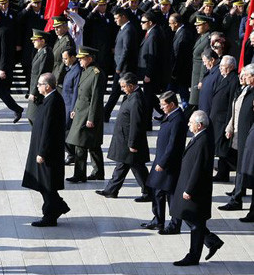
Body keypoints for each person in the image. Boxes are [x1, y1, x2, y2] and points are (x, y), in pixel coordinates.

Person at [171, 110, 224, 266]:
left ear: (199, 125)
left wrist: (189, 189)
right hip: (189, 185)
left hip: (195, 190)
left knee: (195, 221)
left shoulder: (204, 141)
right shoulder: (200, 137)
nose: (188, 124)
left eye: (191, 122)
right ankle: (211, 240)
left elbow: (199, 168)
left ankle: (194, 256)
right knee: (189, 217)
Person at [22, 73, 70, 227]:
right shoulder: (49, 99)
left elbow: (49, 130)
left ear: (47, 86)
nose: (37, 86)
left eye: (40, 84)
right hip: (42, 148)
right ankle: (58, 207)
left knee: (46, 184)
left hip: (47, 152)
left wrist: (42, 152)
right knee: (44, 183)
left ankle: (50, 215)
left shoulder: (54, 101)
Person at [96, 72, 151, 201]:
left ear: (131, 86)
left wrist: (133, 143)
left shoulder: (136, 99)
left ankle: (149, 192)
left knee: (137, 168)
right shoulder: (131, 95)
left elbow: (136, 124)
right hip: (125, 140)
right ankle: (111, 190)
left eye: (123, 87)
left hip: (130, 141)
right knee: (122, 165)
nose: (122, 89)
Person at [144, 91, 186, 235]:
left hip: (169, 164)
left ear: (172, 104)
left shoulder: (178, 119)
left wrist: (162, 162)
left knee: (171, 195)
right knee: (156, 190)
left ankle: (175, 224)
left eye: (163, 105)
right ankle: (158, 219)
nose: (161, 107)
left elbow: (173, 145)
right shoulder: (170, 115)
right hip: (161, 160)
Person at [65, 46, 105, 183]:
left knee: (80, 144)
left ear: (89, 58)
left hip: (88, 114)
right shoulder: (86, 71)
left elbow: (96, 98)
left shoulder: (96, 73)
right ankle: (98, 172)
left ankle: (80, 174)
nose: (79, 61)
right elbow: (80, 93)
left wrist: (91, 118)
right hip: (81, 111)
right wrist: (75, 109)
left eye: (82, 59)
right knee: (93, 145)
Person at [219, 64, 254, 211]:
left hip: (247, 135)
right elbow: (236, 110)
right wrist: (230, 127)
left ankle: (237, 197)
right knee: (239, 164)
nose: (242, 77)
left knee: (242, 166)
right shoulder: (244, 89)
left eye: (246, 75)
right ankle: (237, 193)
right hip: (239, 132)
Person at [105, 7, 139, 121]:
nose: (115, 20)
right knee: (118, 92)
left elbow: (126, 50)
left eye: (116, 18)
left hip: (124, 68)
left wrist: (119, 67)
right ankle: (106, 113)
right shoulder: (123, 29)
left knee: (116, 91)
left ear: (123, 17)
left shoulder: (128, 29)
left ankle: (105, 113)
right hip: (121, 66)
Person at [211, 57, 240, 182]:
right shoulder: (224, 78)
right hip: (217, 119)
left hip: (223, 121)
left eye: (223, 66)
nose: (220, 68)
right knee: (221, 148)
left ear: (231, 67)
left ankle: (224, 173)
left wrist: (229, 125)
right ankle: (222, 172)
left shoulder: (233, 80)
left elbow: (231, 105)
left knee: (223, 149)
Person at [138, 12, 167, 129]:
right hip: (149, 72)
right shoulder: (151, 32)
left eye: (143, 22)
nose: (141, 24)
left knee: (148, 99)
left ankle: (147, 123)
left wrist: (148, 74)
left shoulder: (154, 35)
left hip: (151, 73)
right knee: (150, 97)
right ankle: (164, 112)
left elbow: (152, 56)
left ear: (150, 23)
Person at [26, 29, 54, 125]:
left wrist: (34, 92)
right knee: (31, 116)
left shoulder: (45, 53)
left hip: (39, 91)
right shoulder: (40, 52)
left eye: (35, 39)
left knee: (34, 117)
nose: (33, 41)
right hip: (35, 88)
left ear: (42, 41)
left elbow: (41, 74)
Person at [168, 13, 195, 108]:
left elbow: (179, 55)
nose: (169, 25)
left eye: (170, 23)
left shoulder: (183, 34)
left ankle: (186, 112)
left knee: (182, 95)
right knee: (170, 94)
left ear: (175, 23)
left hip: (180, 72)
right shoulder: (181, 32)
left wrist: (174, 72)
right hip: (179, 72)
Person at [62, 48, 82, 165]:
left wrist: (73, 109)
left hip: (70, 107)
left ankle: (71, 154)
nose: (64, 61)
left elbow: (75, 92)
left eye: (66, 58)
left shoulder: (77, 71)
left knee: (65, 132)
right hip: (65, 105)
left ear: (73, 57)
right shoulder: (71, 69)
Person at [188, 15, 212, 113]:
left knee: (196, 103)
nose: (197, 27)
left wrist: (202, 79)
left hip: (199, 75)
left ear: (206, 25)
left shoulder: (207, 39)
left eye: (199, 25)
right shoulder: (202, 37)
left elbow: (205, 61)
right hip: (195, 73)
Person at [51, 15, 76, 86]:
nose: (55, 29)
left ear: (65, 27)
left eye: (58, 27)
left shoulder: (67, 41)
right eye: (55, 27)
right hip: (55, 72)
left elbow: (65, 61)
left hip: (61, 76)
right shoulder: (60, 39)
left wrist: (58, 78)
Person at [196, 48, 221, 114]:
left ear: (212, 60)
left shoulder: (219, 73)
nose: (204, 64)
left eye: (205, 61)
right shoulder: (211, 71)